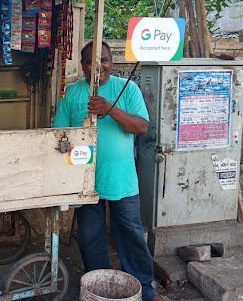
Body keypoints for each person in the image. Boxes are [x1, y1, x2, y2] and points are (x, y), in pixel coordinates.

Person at [53, 41, 161, 301]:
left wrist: (109, 109)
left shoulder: (128, 89)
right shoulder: (71, 93)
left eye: (103, 59)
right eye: (91, 61)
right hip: (86, 181)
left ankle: (145, 289)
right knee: (90, 238)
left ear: (111, 62)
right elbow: (59, 135)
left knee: (131, 234)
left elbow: (141, 127)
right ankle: (101, 287)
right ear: (83, 65)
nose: (98, 66)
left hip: (122, 180)